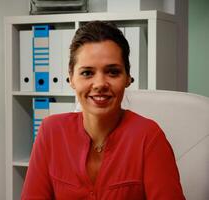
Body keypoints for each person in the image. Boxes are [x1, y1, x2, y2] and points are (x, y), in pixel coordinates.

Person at [21, 21, 185, 200]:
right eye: (87, 73)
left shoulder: (149, 137)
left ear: (128, 78)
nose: (100, 84)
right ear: (71, 79)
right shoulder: (50, 131)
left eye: (113, 72)